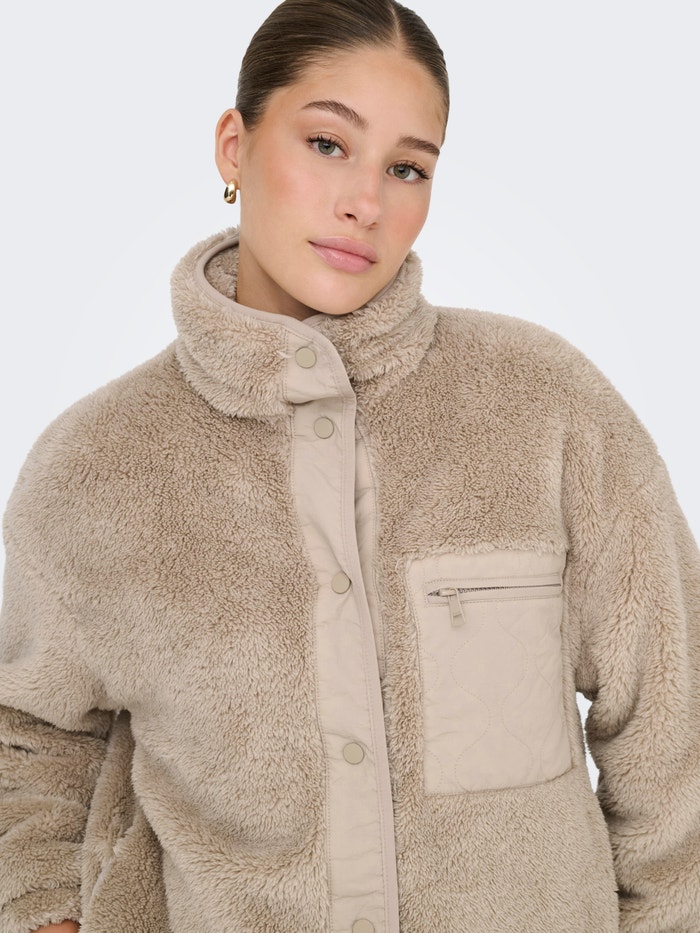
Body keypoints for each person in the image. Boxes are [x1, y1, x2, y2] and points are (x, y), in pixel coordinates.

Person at [1, 0, 698, 930]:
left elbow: (672, 722)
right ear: (234, 148)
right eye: (328, 144)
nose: (366, 202)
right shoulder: (94, 466)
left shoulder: (545, 406)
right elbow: (29, 739)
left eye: (407, 167)